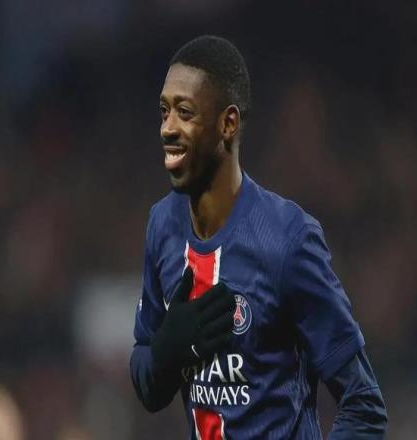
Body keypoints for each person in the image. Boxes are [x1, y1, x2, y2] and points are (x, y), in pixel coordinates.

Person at [130, 35, 387, 439]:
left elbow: (363, 405)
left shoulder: (287, 239)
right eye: (164, 111)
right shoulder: (162, 226)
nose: (168, 128)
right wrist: (167, 352)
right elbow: (146, 382)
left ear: (228, 124)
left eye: (185, 112)